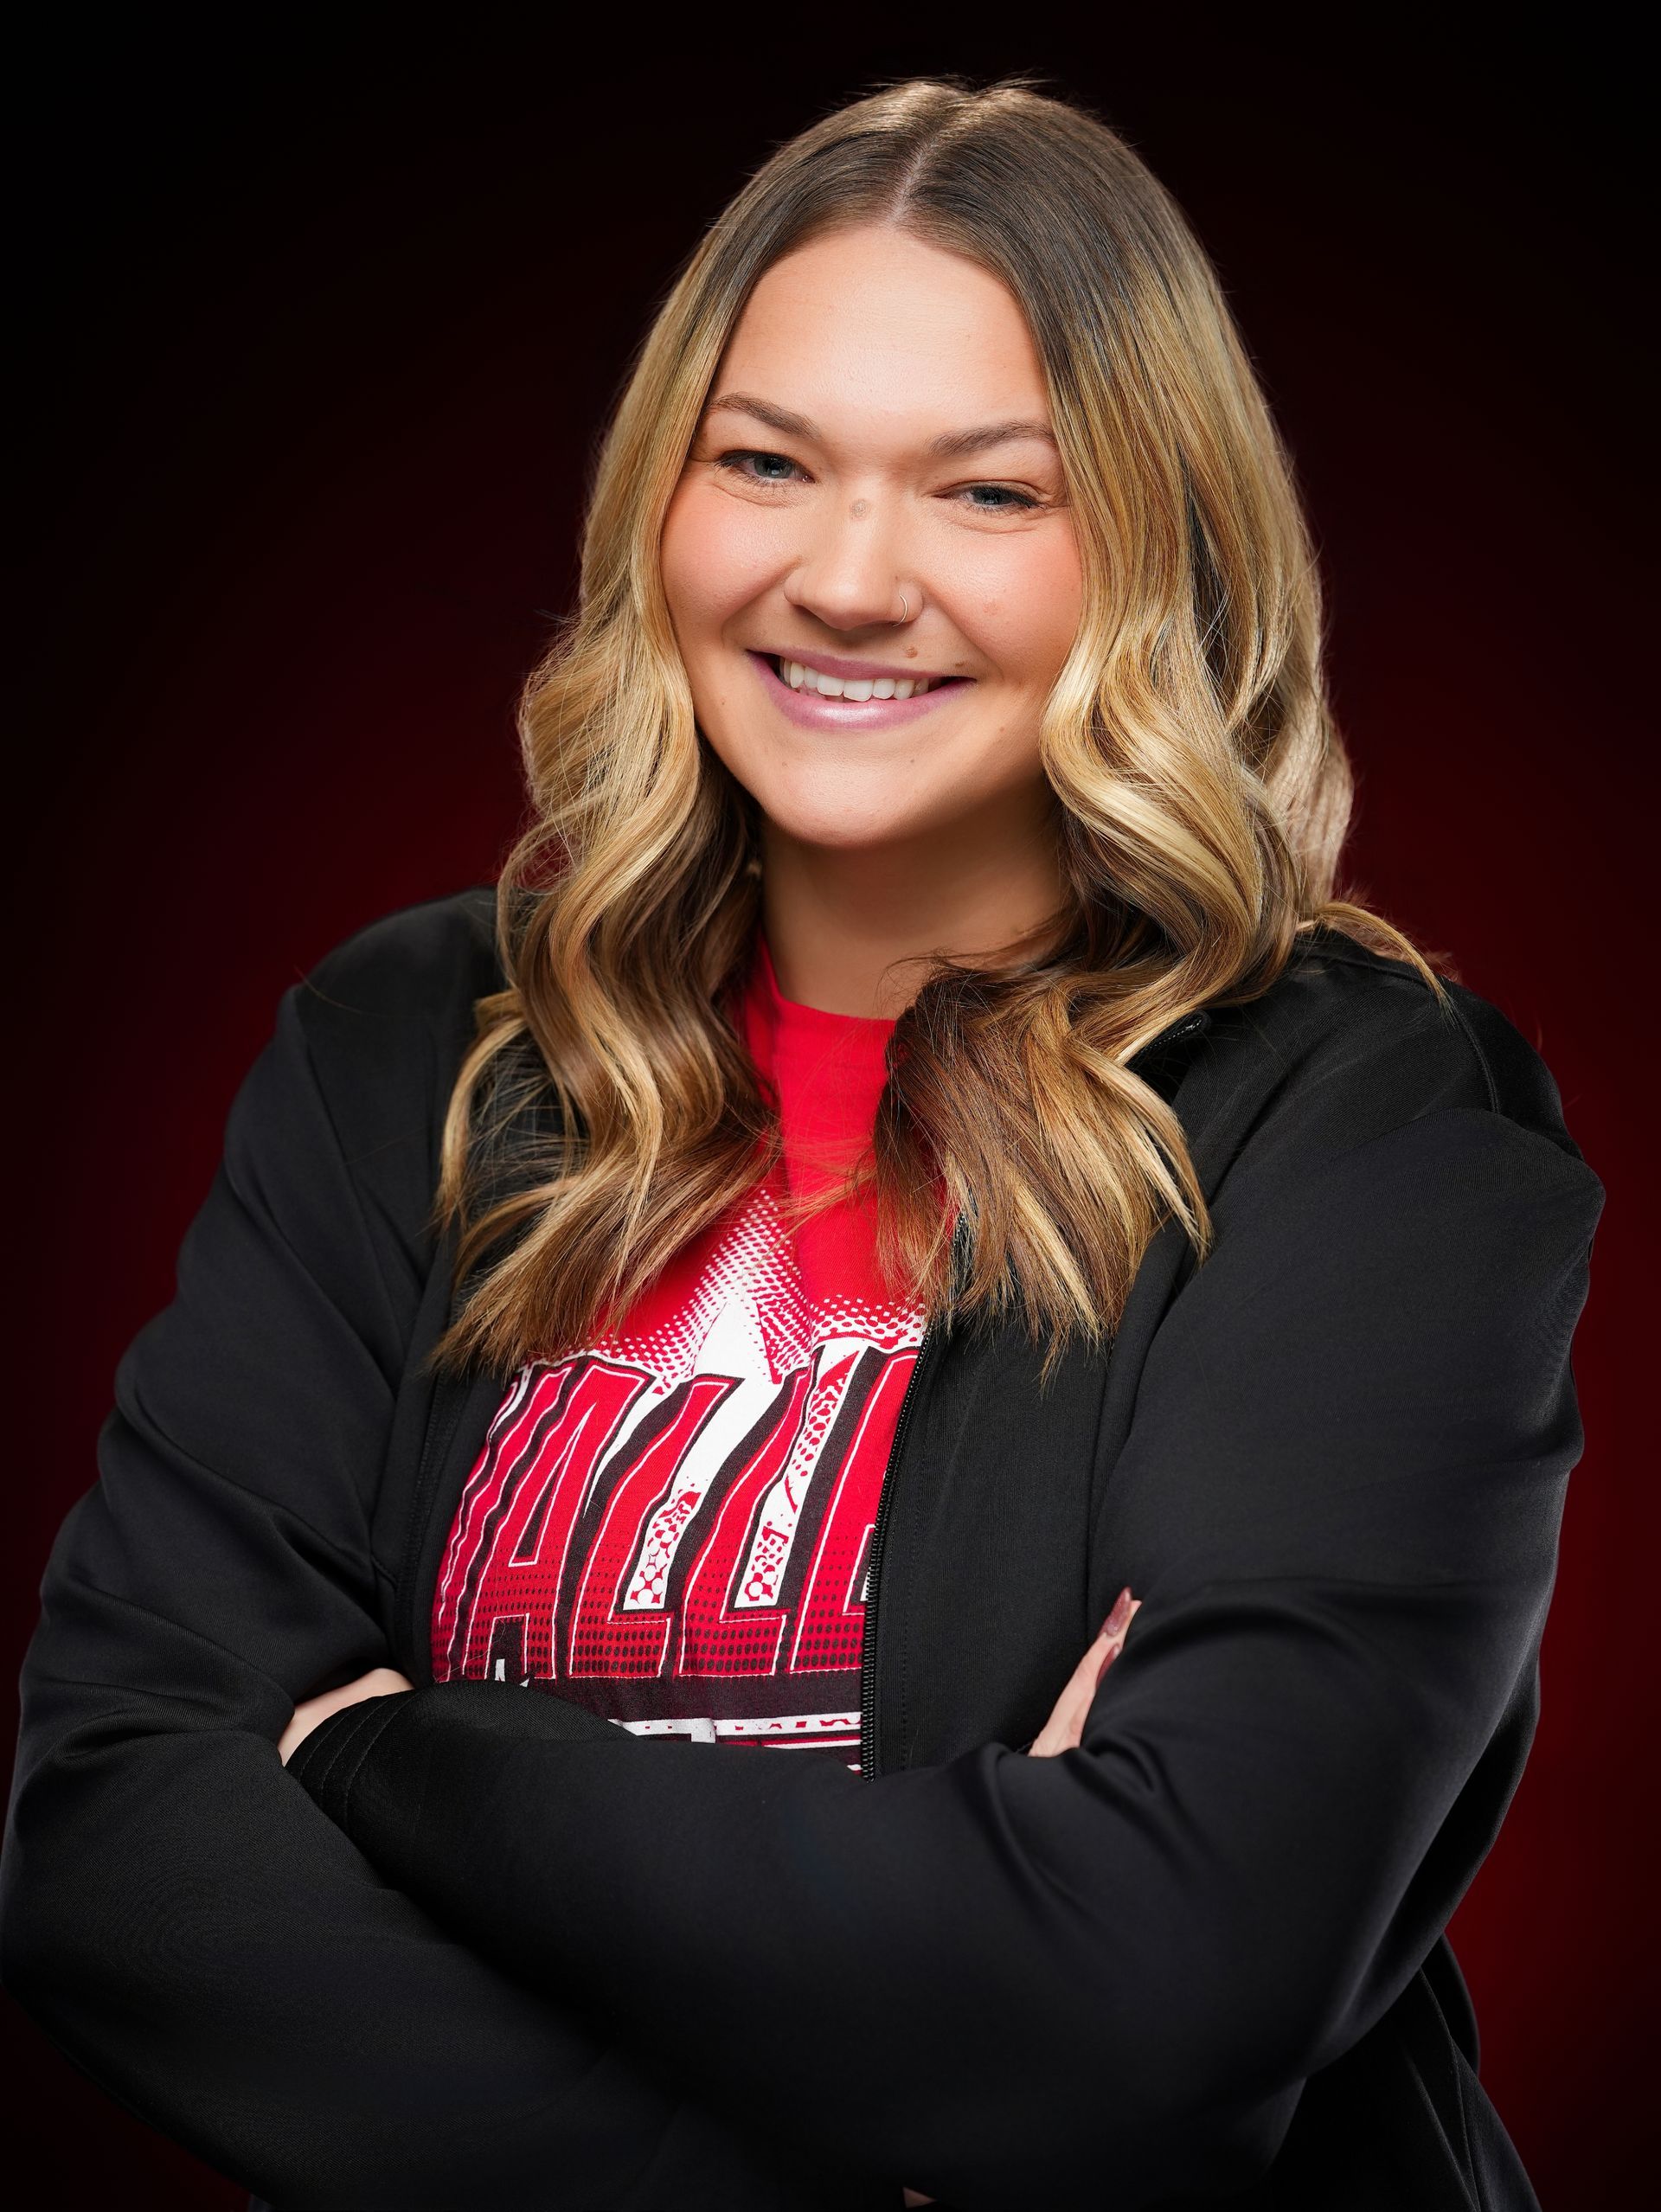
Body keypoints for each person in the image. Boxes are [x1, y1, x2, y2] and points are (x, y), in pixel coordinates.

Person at [0, 79, 1601, 2212]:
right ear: (663, 504)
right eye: (766, 463)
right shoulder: (414, 1055)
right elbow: (117, 1841)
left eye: (988, 493)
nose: (849, 579)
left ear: (1154, 546)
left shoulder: (1363, 1114)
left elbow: (1160, 1982)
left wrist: (381, 1752)